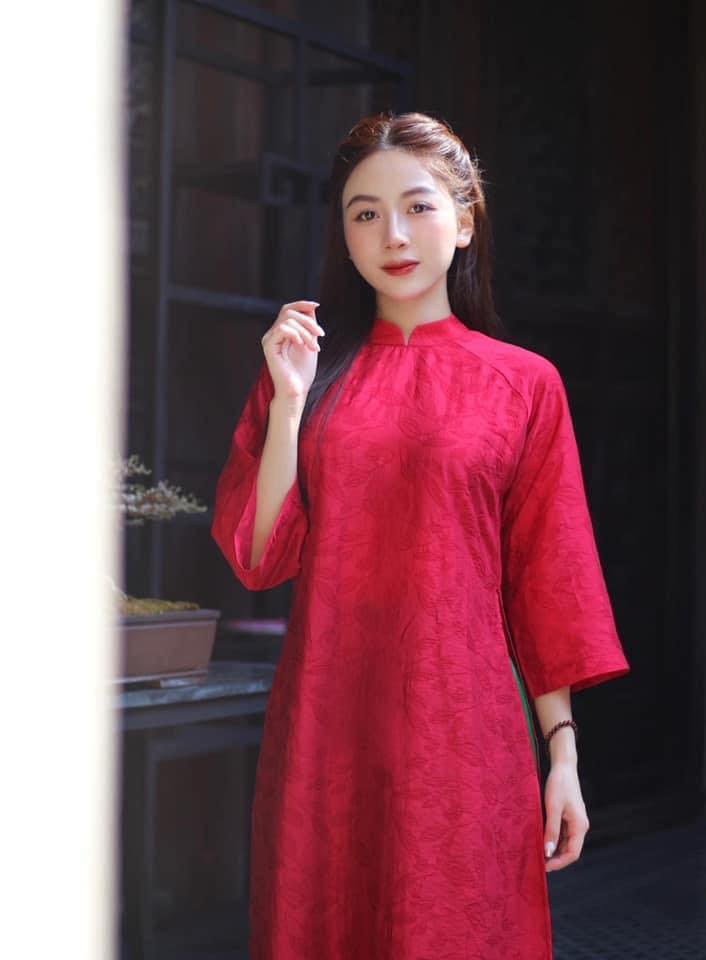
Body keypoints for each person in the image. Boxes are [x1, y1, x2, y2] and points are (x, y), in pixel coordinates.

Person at [211, 111, 631, 960]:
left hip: (464, 732)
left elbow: (548, 582)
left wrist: (562, 756)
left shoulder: (525, 385)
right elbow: (259, 558)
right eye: (364, 213)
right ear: (344, 235)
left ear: (465, 220)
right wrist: (289, 404)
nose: (392, 236)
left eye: (417, 207)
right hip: (326, 727)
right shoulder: (304, 376)